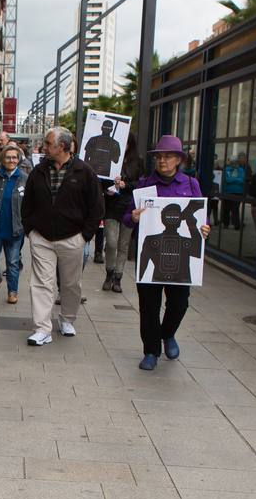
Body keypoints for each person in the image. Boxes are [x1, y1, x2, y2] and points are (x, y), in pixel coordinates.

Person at [123, 135, 210, 371]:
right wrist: (133, 217)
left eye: (168, 156)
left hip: (179, 258)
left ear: (178, 159)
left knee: (179, 303)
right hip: (151, 252)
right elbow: (127, 218)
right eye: (159, 156)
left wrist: (204, 228)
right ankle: (151, 350)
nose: (162, 161)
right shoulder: (144, 185)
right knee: (149, 306)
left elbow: (202, 218)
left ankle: (168, 333)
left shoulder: (191, 184)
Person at [20, 127, 102, 346]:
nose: (43, 147)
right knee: (41, 284)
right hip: (42, 239)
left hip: (72, 238)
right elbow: (27, 203)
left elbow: (96, 208)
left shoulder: (84, 172)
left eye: (48, 144)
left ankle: (67, 319)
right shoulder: (38, 171)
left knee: (70, 284)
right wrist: (30, 230)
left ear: (62, 147)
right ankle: (42, 329)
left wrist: (85, 236)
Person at [0, 143, 26, 303]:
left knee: (13, 262)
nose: (11, 160)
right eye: (8, 157)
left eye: (14, 157)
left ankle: (12, 291)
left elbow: (30, 204)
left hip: (16, 229)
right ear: (2, 159)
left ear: (19, 159)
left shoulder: (25, 179)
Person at [100, 164, 135, 292]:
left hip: (129, 209)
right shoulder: (110, 160)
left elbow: (140, 184)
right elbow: (102, 184)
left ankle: (118, 278)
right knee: (111, 243)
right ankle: (109, 273)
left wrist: (126, 185)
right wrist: (110, 188)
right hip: (111, 209)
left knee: (123, 245)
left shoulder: (136, 162)